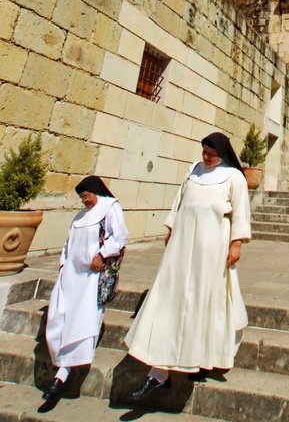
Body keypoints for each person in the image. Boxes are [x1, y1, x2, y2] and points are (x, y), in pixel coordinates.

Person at [126, 131, 251, 400]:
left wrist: (236, 243)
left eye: (211, 154)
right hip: (182, 246)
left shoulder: (234, 177)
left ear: (223, 154)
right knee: (170, 296)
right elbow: (179, 201)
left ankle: (200, 358)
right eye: (204, 152)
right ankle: (159, 370)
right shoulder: (192, 170)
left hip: (212, 248)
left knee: (204, 301)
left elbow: (241, 213)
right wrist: (171, 227)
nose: (206, 157)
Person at [43, 176, 128, 401]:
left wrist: (102, 254)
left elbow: (119, 236)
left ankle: (61, 375)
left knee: (82, 321)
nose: (85, 202)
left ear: (95, 192)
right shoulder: (80, 217)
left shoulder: (110, 208)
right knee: (58, 317)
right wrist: (63, 264)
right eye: (82, 199)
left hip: (92, 277)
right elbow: (68, 243)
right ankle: (60, 367)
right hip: (70, 276)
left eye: (87, 196)